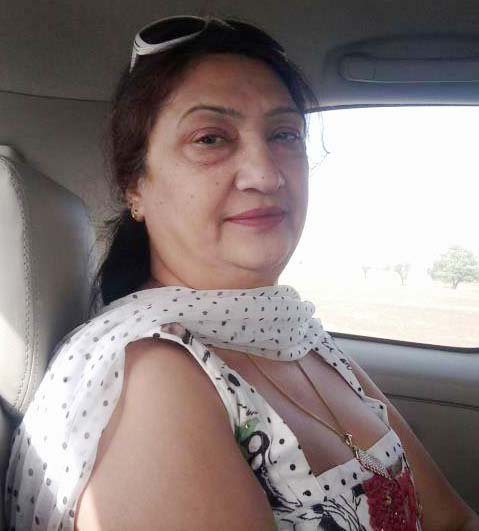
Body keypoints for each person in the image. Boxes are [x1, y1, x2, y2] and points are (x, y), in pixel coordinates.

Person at [4, 15, 478, 531]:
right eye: (210, 138)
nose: (266, 174)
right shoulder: (155, 380)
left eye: (284, 134)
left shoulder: (301, 338)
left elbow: (452, 519)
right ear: (134, 186)